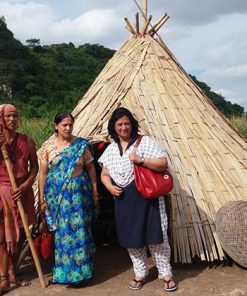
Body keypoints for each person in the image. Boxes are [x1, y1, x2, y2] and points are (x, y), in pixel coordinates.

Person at [98, 107, 177, 292]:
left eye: (126, 123)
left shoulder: (144, 142)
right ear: (114, 127)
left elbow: (162, 163)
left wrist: (140, 160)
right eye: (119, 124)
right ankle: (140, 273)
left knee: (156, 236)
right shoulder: (111, 149)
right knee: (132, 239)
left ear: (132, 125)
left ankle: (166, 274)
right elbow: (104, 174)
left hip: (147, 198)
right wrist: (109, 186)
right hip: (124, 201)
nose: (123, 127)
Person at [38, 111, 99, 285]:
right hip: (56, 197)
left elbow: (91, 168)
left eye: (70, 124)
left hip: (79, 196)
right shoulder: (47, 146)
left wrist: (94, 190)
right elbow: (43, 174)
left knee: (80, 232)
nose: (68, 127)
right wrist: (41, 198)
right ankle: (64, 273)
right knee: (62, 234)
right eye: (64, 124)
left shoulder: (81, 145)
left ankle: (82, 272)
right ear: (55, 126)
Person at [0, 104, 38, 294]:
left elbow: (34, 168)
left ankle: (13, 272)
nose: (12, 119)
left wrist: (25, 185)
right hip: (2, 192)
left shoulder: (27, 140)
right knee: (2, 237)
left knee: (21, 234)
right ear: (1, 119)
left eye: (15, 116)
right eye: (8, 116)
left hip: (23, 191)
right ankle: (4, 278)